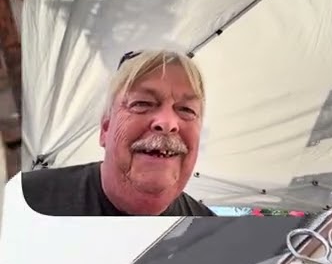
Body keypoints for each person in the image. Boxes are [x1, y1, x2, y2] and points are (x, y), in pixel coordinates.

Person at [22, 49, 215, 216]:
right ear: (106, 128)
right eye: (142, 103)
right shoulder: (23, 200)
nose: (167, 123)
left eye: (187, 110)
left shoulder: (214, 235)